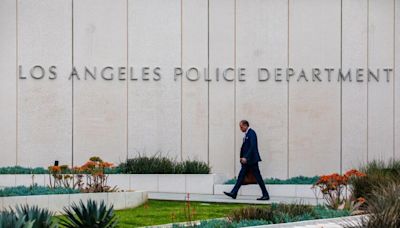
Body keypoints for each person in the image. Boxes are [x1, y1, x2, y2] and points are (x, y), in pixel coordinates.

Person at [224, 120, 270, 200]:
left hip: (252, 161)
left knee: (258, 178)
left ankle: (265, 195)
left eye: (241, 127)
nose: (240, 129)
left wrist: (246, 157)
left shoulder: (251, 133)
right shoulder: (247, 134)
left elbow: (253, 146)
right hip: (247, 161)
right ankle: (234, 193)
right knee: (241, 176)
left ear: (245, 125)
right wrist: (242, 157)